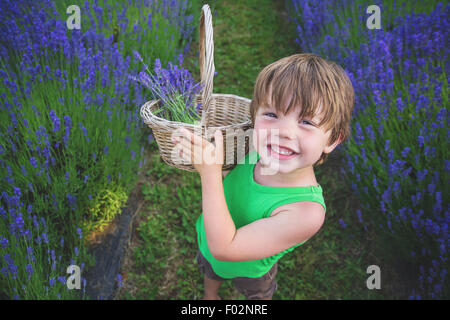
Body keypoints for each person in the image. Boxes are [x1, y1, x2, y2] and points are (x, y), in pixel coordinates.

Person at [172, 53, 354, 300]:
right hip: (209, 235)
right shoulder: (256, 148)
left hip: (251, 270)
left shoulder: (306, 212)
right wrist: (219, 164)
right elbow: (234, 177)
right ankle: (210, 296)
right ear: (254, 116)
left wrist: (210, 173)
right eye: (271, 115)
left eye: (307, 122)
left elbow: (225, 247)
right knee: (211, 268)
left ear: (333, 139)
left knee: (256, 294)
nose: (283, 132)